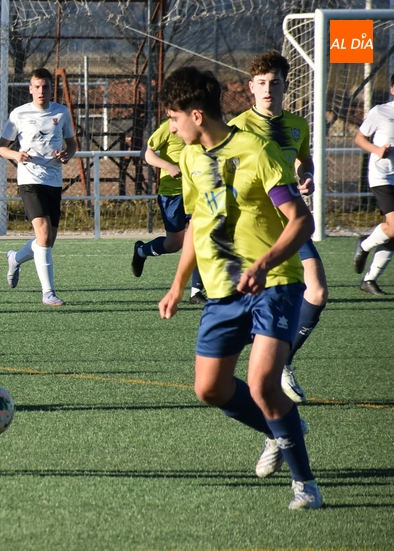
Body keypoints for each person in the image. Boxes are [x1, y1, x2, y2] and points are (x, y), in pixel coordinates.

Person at [157, 66, 321, 509]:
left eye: (174, 119)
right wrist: (176, 285)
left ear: (196, 114)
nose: (171, 128)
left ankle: (304, 485)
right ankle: (282, 428)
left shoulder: (258, 150)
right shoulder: (190, 159)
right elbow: (196, 225)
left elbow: (300, 220)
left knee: (263, 385)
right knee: (210, 389)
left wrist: (266, 263)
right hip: (222, 292)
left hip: (273, 285)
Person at [228, 51, 328, 405]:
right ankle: (259, 365)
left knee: (317, 291)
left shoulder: (298, 125)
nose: (268, 89)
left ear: (286, 86)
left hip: (289, 220)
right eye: (262, 83)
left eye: (275, 83)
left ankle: (283, 361)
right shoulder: (237, 127)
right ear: (251, 87)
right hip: (253, 225)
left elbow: (305, 160)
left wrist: (308, 177)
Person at [0, 68, 77, 306]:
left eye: (45, 86)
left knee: (47, 240)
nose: (41, 91)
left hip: (53, 181)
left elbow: (72, 144)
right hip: (29, 181)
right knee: (42, 234)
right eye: (37, 86)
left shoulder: (61, 113)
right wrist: (16, 154)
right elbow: (0, 147)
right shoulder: (19, 114)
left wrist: (66, 155)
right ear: (30, 88)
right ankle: (48, 293)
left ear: (52, 88)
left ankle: (15, 258)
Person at [136, 119, 206, 304]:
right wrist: (167, 166)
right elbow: (146, 152)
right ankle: (142, 251)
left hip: (197, 191)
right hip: (172, 193)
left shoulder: (205, 123)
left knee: (198, 237)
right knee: (174, 244)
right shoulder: (170, 126)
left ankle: (196, 291)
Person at [354, 72, 394, 295]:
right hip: (382, 176)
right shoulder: (380, 112)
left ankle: (369, 280)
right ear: (392, 89)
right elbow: (359, 138)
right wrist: (378, 150)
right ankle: (364, 245)